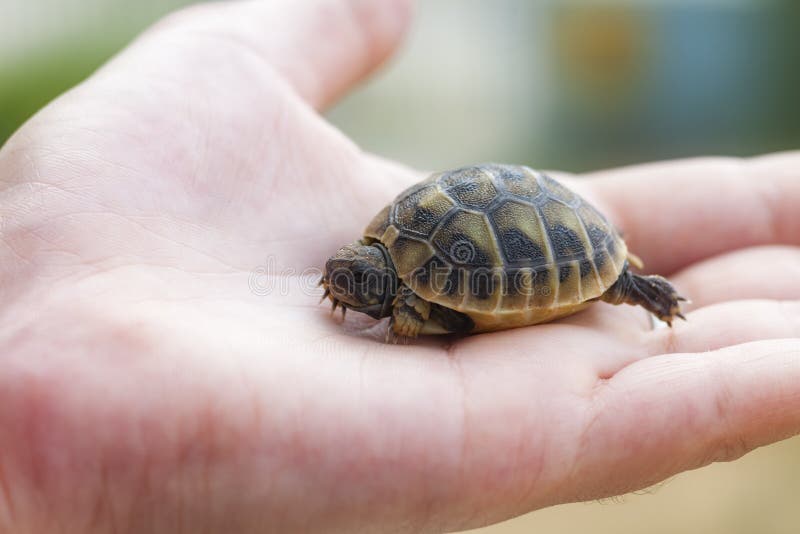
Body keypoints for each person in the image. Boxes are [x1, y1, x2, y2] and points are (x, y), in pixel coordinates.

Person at [0, 0, 798, 532]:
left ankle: (633, 282)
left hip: (565, 234)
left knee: (623, 282)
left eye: (351, 281)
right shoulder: (380, 252)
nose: (339, 286)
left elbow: (433, 308)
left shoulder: (420, 298)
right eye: (345, 276)